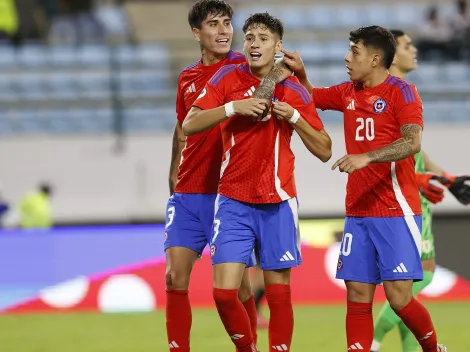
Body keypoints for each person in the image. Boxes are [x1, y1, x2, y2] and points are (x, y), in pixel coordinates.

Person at [281, 26, 447, 351]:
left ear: (374, 58)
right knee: (357, 296)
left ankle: (431, 348)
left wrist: (366, 157)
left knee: (399, 299)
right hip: (358, 211)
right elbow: (311, 98)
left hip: (395, 211)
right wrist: (301, 75)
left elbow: (412, 142)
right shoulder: (348, 92)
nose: (347, 57)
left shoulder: (403, 92)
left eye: (354, 51)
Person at [183, 12, 332, 352]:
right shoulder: (226, 78)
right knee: (223, 294)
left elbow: (325, 150)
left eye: (263, 39)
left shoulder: (292, 89)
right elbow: (191, 123)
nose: (254, 44)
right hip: (233, 201)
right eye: (249, 37)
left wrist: (293, 117)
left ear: (278, 46)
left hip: (278, 200)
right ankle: (247, 347)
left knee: (279, 296)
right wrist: (233, 107)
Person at [164, 2, 288, 351]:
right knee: (174, 277)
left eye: (227, 23)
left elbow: (281, 76)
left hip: (226, 193)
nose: (223, 31)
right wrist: (173, 168)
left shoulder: (245, 65)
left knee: (238, 289)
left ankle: (247, 346)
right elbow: (181, 125)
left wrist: (279, 71)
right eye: (213, 24)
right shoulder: (187, 76)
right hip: (188, 190)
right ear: (196, 34)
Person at [371, 29, 470, 352]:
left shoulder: (405, 91)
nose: (414, 50)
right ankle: (372, 340)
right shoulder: (390, 94)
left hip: (413, 194)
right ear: (391, 53)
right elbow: (383, 151)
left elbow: (414, 149)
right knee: (420, 276)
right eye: (407, 45)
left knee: (410, 284)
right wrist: (417, 180)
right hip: (403, 198)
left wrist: (447, 178)